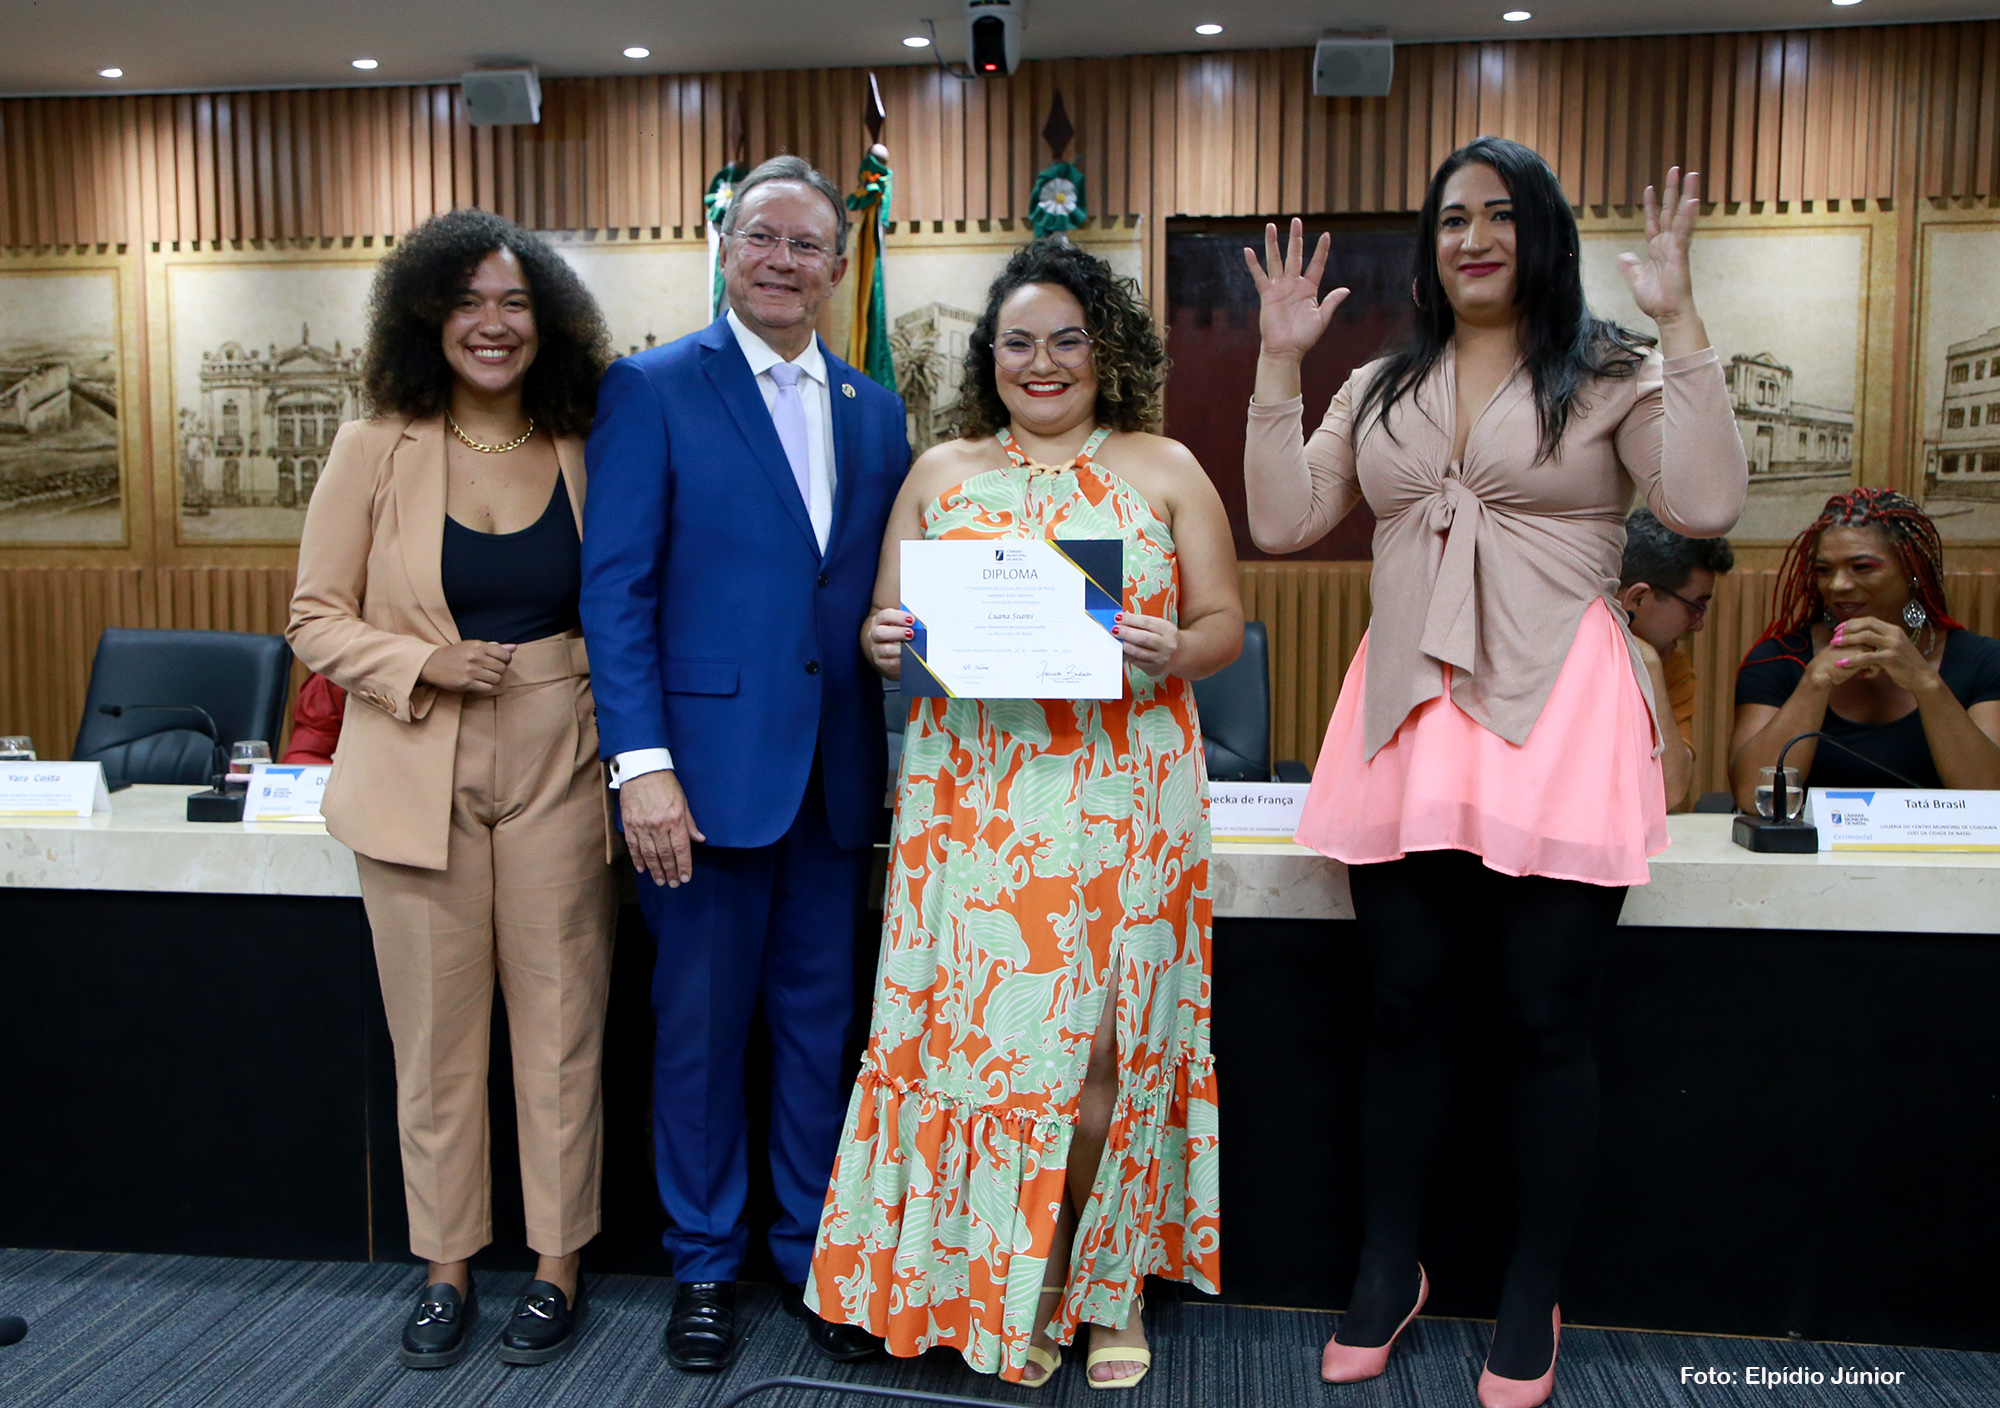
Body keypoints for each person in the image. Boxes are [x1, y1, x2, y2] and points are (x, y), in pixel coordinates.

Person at [1241, 138, 1745, 1408]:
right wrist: (1278, 360)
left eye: (1500, 214)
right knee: (1404, 1007)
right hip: (1410, 711)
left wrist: (1681, 322)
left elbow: (1701, 505)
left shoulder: (1609, 370)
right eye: (1452, 216)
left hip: (1555, 708)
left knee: (1540, 1018)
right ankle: (1385, 1266)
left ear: (1544, 234)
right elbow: (1281, 521)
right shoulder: (1379, 384)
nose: (1472, 236)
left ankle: (1531, 1288)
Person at [807, 238, 1243, 1389]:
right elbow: (884, 629)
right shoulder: (939, 474)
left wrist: (1171, 646)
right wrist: (882, 639)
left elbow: (1222, 627)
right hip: (974, 806)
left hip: (1120, 801)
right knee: (987, 1055)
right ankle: (1021, 1279)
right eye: (1017, 342)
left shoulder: (1162, 467)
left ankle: (1105, 1286)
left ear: (1106, 351)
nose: (1040, 362)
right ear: (987, 356)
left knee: (1100, 1057)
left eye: (1065, 340)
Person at [577, 154, 909, 1373]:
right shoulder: (652, 387)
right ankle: (704, 1263)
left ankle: (815, 1256)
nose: (781, 260)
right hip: (701, 786)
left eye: (805, 243)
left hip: (834, 780)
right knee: (701, 1033)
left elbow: (875, 591)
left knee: (820, 1034)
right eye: (760, 236)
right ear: (724, 247)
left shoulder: (875, 410)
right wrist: (641, 767)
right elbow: (615, 594)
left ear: (837, 265)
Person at [288, 208, 617, 1369]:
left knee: (562, 1028)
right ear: (428, 316)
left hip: (559, 756)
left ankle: (557, 1264)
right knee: (433, 1039)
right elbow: (313, 617)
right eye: (469, 301)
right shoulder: (373, 444)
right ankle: (445, 1265)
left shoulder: (585, 439)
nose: (492, 323)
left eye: (515, 302)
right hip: (412, 757)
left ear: (548, 321)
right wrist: (419, 661)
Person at [1731, 487, 2000, 804]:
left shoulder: (1982, 661)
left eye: (1861, 567)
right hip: (1811, 838)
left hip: (1940, 838)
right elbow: (1752, 797)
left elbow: (1990, 796)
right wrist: (1814, 684)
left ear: (1913, 572)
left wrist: (1925, 683)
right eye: (1824, 570)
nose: (1838, 585)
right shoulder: (1778, 659)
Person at [1616, 506, 1735, 809]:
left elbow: (1669, 792)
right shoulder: (1564, 654)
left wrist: (1649, 666)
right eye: (1695, 607)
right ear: (1638, 598)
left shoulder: (1671, 668)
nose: (1699, 625)